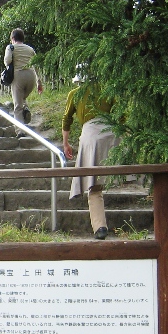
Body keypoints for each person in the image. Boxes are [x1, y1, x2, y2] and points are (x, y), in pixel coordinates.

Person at [62, 82, 117, 239]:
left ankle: (100, 227)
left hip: (91, 136)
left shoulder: (75, 94)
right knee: (124, 173)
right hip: (112, 134)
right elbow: (120, 114)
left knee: (94, 186)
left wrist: (65, 143)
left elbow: (67, 119)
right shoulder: (108, 89)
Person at [4, 28, 42, 131]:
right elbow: (36, 65)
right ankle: (26, 108)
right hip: (31, 77)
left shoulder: (10, 47)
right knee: (22, 98)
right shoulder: (30, 49)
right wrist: (39, 82)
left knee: (17, 105)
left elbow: (7, 61)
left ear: (13, 38)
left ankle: (19, 130)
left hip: (18, 76)